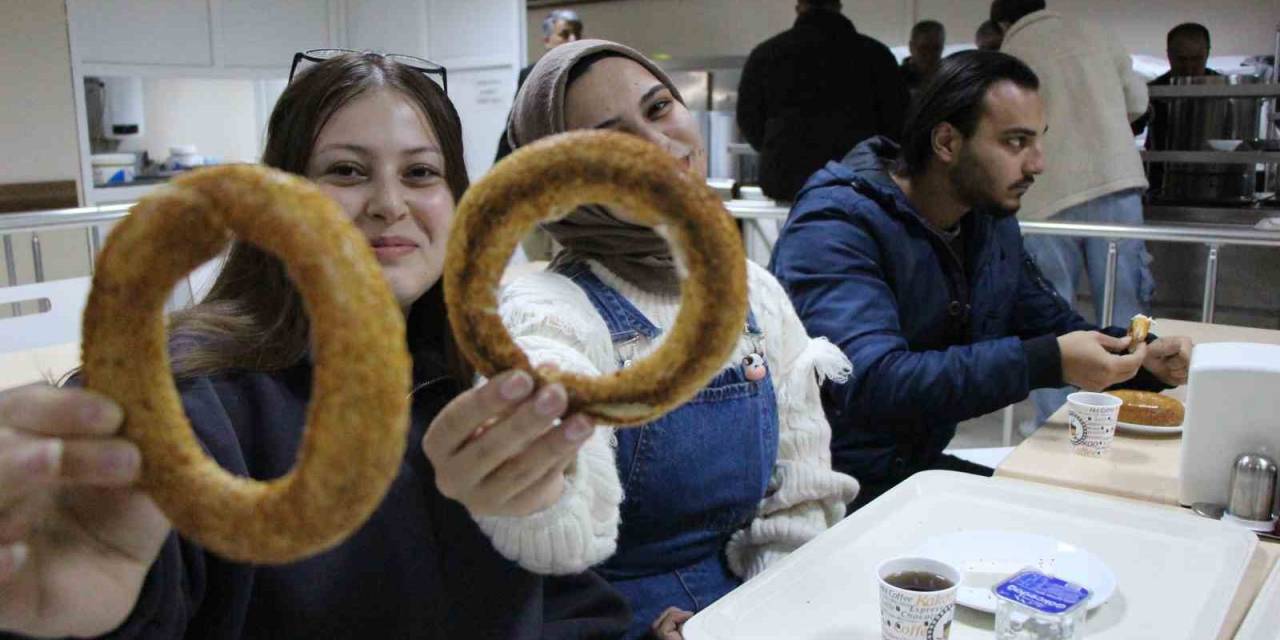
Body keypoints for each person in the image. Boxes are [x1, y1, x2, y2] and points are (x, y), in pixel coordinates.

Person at [0, 52, 630, 639]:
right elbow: (130, 575)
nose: (388, 204)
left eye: (420, 173)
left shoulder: (491, 386)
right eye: (346, 171)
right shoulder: (187, 405)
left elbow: (567, 600)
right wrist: (89, 607)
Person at [498, 39, 860, 639]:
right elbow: (552, 545)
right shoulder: (551, 313)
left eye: (660, 108)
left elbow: (799, 498)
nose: (658, 145)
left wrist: (761, 612)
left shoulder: (752, 292)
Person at [769, 51, 1193, 510]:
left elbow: (1051, 327)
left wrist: (1144, 358)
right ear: (948, 142)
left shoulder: (984, 221)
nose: (1037, 164)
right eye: (1015, 142)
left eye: (1038, 141)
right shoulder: (836, 224)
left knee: (1090, 517)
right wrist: (1047, 361)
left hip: (914, 471)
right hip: (829, 490)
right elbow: (871, 382)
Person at [992, 0, 1155, 425]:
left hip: (1045, 197)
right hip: (1114, 182)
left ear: (1002, 22)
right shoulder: (1096, 33)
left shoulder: (1011, 53)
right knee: (1123, 312)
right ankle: (1126, 416)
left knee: (1051, 323)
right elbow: (1138, 103)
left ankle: (1059, 425)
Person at [736, 0, 909, 203]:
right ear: (838, 6)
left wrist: (776, 149)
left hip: (788, 180)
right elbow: (898, 120)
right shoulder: (876, 54)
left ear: (800, 7)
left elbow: (749, 120)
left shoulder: (766, 54)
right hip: (858, 182)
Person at [497, 9, 586, 263]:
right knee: (537, 258)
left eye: (576, 34)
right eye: (564, 34)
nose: (571, 40)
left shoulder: (588, 76)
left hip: (573, 190)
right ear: (547, 40)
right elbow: (512, 131)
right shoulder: (529, 76)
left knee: (568, 262)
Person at [1135, 23, 1219, 190]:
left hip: (1216, 180)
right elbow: (1129, 130)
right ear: (1168, 55)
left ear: (1208, 53)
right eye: (1181, 60)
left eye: (1196, 59)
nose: (1189, 67)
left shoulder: (1227, 90)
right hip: (1161, 182)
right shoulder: (1153, 91)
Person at [902, 20, 946, 97]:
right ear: (911, 47)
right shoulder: (895, 79)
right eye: (923, 48)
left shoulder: (950, 78)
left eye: (936, 48)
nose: (930, 55)